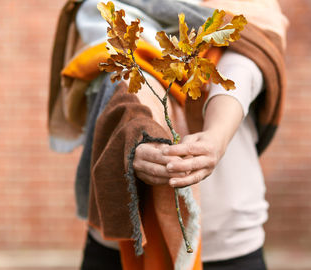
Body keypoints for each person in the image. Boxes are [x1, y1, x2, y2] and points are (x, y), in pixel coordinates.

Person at [48, 0, 288, 269]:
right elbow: (123, 79)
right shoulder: (99, 8)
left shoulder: (251, 6)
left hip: (229, 242)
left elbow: (244, 68)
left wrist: (216, 137)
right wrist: (137, 135)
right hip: (123, 238)